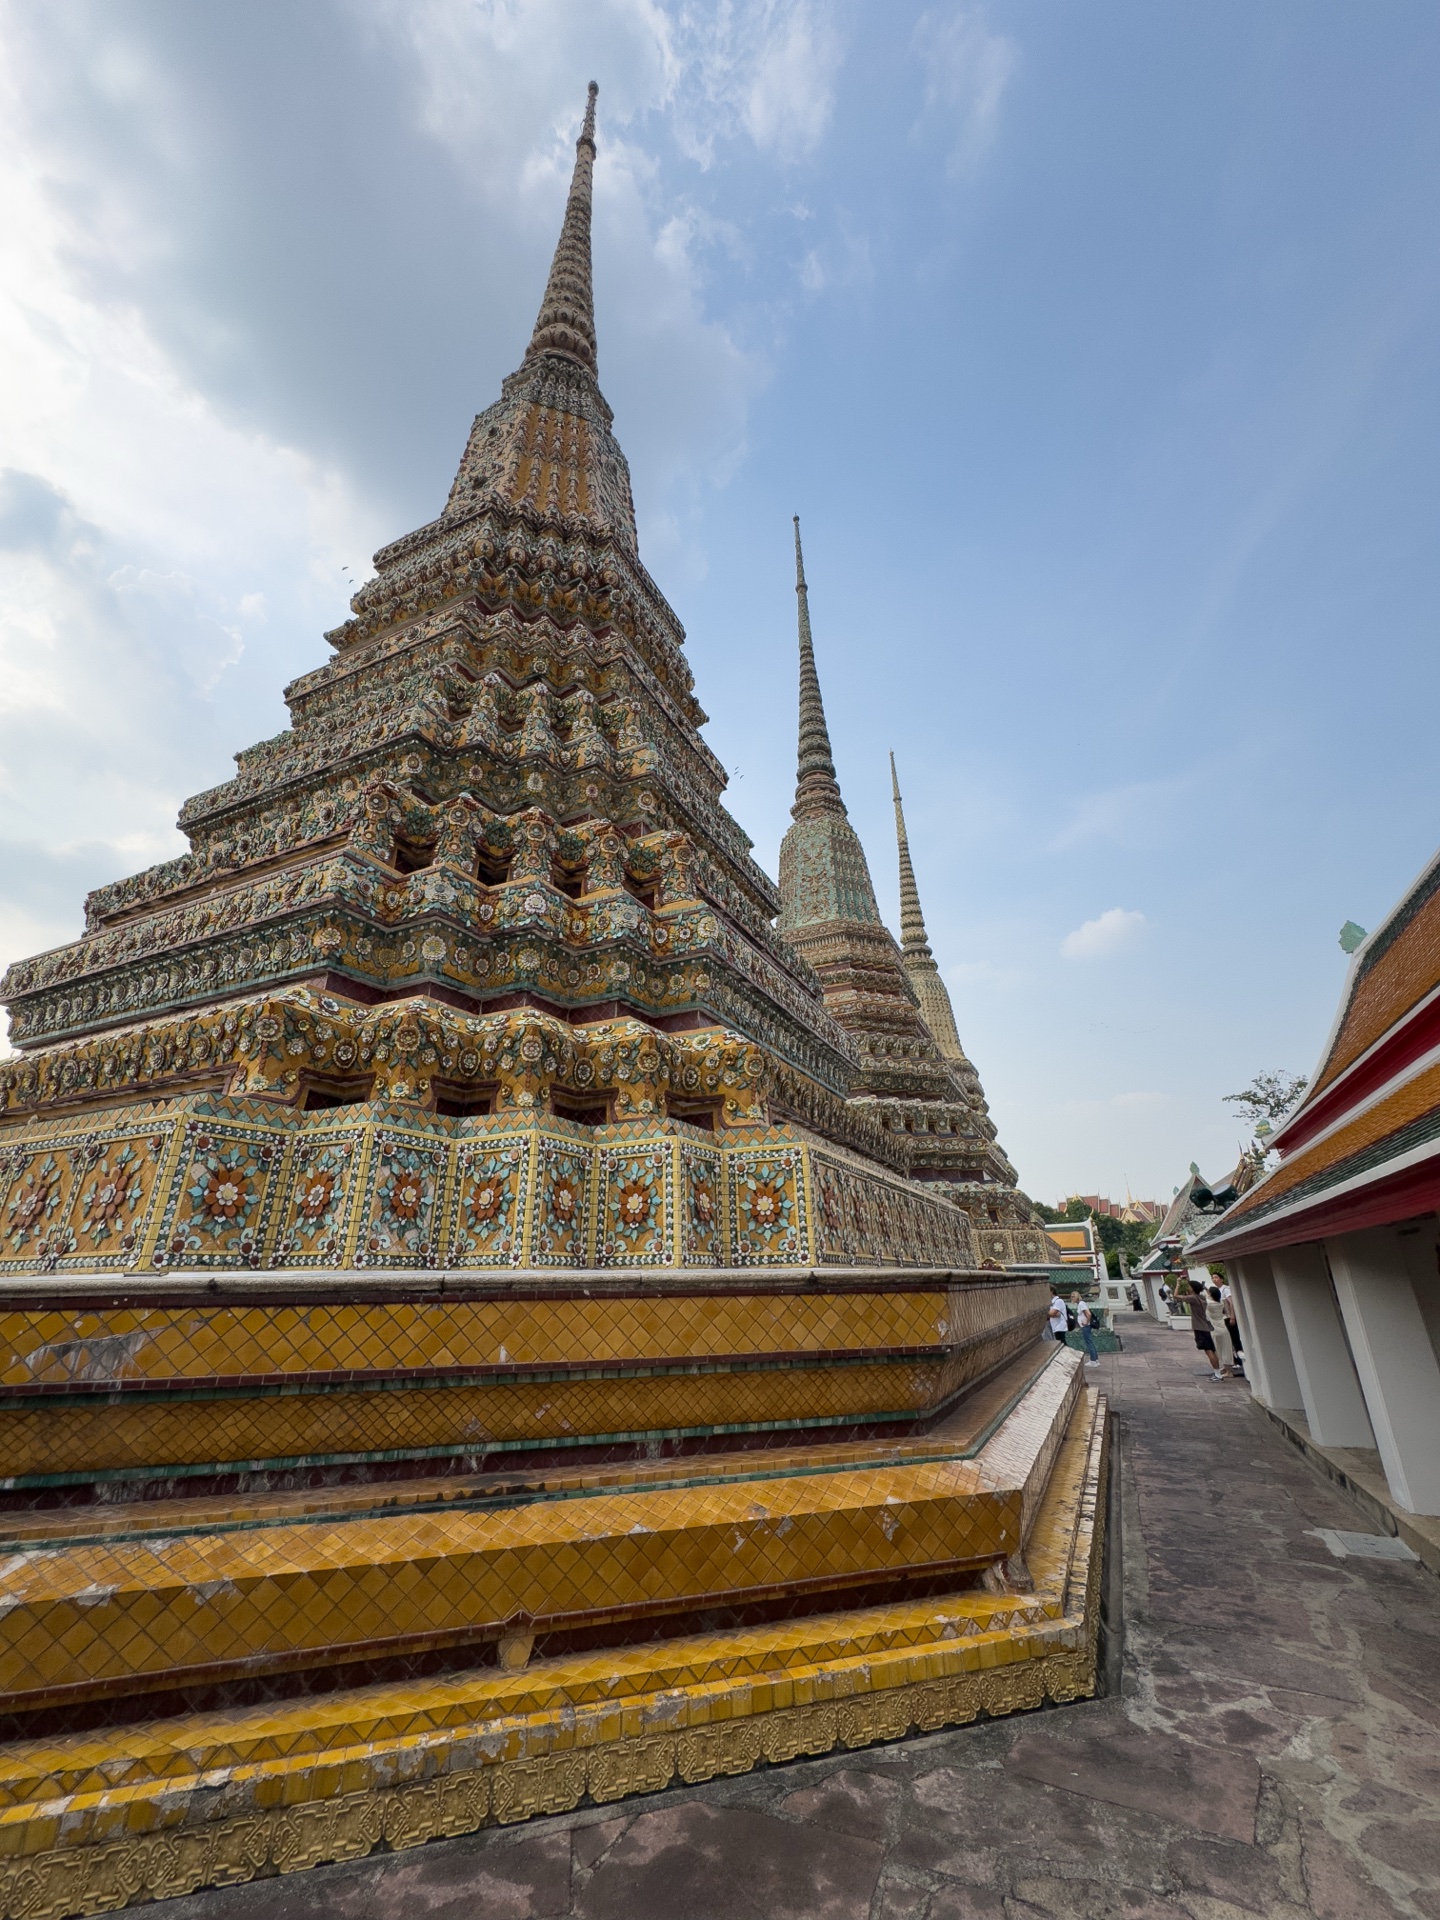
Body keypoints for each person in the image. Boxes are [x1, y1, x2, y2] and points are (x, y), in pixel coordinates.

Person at [1186, 1278, 1225, 1380]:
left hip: (1202, 1328)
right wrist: (1205, 1288)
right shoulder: (1208, 1300)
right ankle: (1218, 1372)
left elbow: (1177, 1296)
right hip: (1213, 1327)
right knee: (1213, 1350)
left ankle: (1217, 1374)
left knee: (1209, 1351)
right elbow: (1210, 1294)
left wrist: (1178, 1284)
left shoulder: (1199, 1300)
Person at [1205, 1282, 1236, 1375]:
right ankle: (1228, 1370)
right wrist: (1207, 1289)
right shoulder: (1220, 1302)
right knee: (1226, 1349)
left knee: (1217, 1349)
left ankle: (1224, 1369)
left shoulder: (1209, 1304)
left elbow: (1203, 1298)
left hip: (1215, 1329)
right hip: (1223, 1328)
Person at [1072, 1292, 1100, 1365]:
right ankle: (1095, 1359)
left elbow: (1088, 1313)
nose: (1072, 1298)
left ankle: (1093, 1360)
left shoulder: (1081, 1304)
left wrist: (1086, 1322)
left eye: (1073, 1296)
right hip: (1085, 1325)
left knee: (1089, 1342)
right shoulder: (1080, 1304)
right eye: (1071, 1297)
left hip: (1086, 1326)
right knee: (1090, 1341)